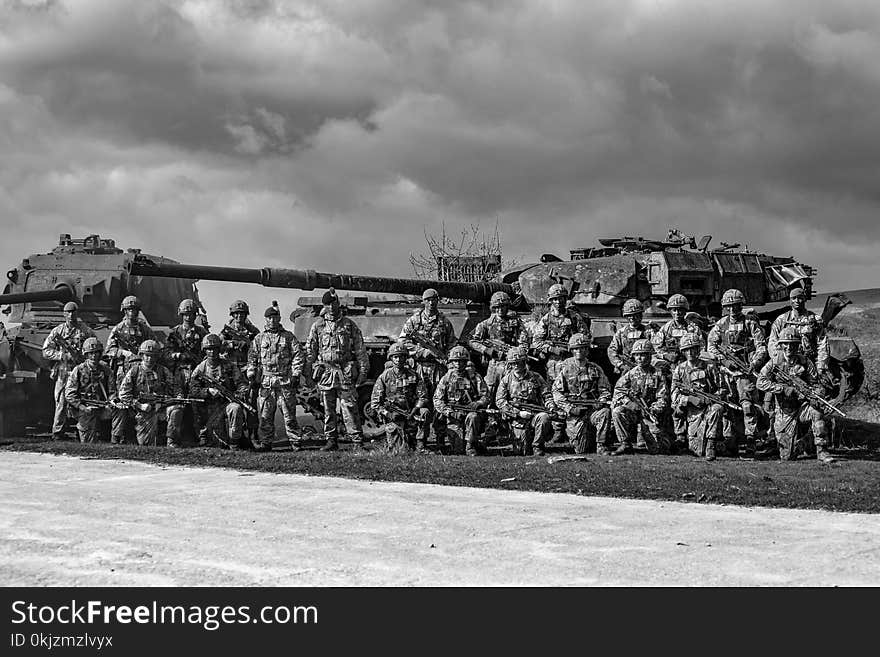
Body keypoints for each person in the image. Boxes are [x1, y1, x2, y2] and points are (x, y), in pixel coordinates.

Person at [756, 327, 835, 463]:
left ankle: (822, 451)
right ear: (781, 345)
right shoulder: (774, 362)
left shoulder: (805, 362)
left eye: (793, 344)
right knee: (787, 457)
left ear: (798, 345)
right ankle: (802, 444)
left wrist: (815, 395)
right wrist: (782, 389)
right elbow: (760, 382)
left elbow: (816, 384)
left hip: (802, 408)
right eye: (786, 343)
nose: (789, 347)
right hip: (784, 412)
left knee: (817, 412)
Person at [707, 288, 769, 457]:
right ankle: (730, 440)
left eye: (736, 306)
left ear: (741, 306)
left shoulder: (750, 323)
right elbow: (711, 346)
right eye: (729, 306)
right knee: (727, 406)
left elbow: (761, 346)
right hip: (726, 373)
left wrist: (754, 363)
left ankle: (751, 441)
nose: (733, 309)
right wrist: (725, 361)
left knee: (748, 406)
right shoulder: (720, 325)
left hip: (745, 373)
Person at [306, 289, 370, 451]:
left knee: (349, 407)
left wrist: (363, 371)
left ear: (338, 304)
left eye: (334, 303)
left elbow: (360, 349)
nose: (332, 306)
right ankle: (331, 440)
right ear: (324, 305)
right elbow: (310, 351)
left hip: (344, 371)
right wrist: (308, 373)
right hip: (326, 372)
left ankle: (357, 441)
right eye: (328, 304)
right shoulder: (318, 326)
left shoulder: (348, 324)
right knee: (328, 408)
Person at [399, 288, 456, 451]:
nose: (431, 302)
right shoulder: (414, 321)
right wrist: (422, 352)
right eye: (428, 299)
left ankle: (440, 439)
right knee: (421, 403)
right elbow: (402, 342)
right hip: (420, 369)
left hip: (439, 369)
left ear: (438, 301)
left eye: (434, 299)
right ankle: (420, 441)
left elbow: (452, 342)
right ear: (423, 301)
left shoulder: (444, 321)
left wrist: (448, 357)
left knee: (440, 403)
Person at [532, 283, 591, 444]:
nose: (558, 302)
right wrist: (552, 348)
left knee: (573, 392)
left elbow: (586, 336)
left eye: (561, 299)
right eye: (555, 299)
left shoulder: (574, 317)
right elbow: (536, 341)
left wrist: (574, 347)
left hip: (572, 361)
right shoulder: (546, 319)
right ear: (551, 301)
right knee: (555, 394)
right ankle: (557, 428)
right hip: (553, 363)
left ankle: (573, 427)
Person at [247, 304, 305, 451]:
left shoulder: (288, 337)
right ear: (266, 319)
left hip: (285, 382)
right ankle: (266, 443)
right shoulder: (259, 338)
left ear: (279, 318)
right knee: (265, 416)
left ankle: (295, 442)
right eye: (269, 318)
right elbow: (252, 358)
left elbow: (298, 355)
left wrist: (296, 373)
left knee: (289, 416)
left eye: (275, 317)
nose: (272, 320)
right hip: (266, 383)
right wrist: (252, 374)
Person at [106, 295, 157, 444]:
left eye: (134, 310)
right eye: (129, 309)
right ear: (124, 311)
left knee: (142, 398)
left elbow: (154, 345)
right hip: (124, 368)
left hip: (141, 368)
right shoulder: (118, 329)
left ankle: (140, 434)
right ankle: (119, 435)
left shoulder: (144, 328)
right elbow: (109, 349)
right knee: (124, 400)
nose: (132, 313)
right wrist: (124, 352)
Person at [41, 301, 96, 440]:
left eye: (73, 312)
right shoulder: (58, 331)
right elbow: (46, 350)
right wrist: (62, 355)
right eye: (68, 312)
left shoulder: (86, 331)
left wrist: (85, 357)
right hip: (64, 371)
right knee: (61, 401)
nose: (71, 315)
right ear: (64, 314)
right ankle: (58, 432)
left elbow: (95, 347)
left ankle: (82, 430)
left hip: (81, 372)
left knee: (83, 399)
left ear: (77, 313)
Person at [670, 334, 730, 460]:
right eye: (687, 349)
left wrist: (712, 398)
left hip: (709, 408)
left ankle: (711, 444)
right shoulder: (680, 369)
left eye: (693, 348)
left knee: (717, 408)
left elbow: (723, 388)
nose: (690, 352)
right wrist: (690, 399)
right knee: (696, 450)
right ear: (683, 351)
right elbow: (674, 394)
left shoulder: (710, 366)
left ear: (698, 350)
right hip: (692, 411)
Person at [551, 332, 613, 454]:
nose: (579, 351)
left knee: (604, 413)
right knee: (581, 449)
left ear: (587, 350)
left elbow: (605, 390)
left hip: (592, 410)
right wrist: (570, 408)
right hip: (575, 411)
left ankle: (601, 445)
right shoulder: (564, 368)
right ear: (571, 350)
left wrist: (600, 402)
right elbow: (556, 392)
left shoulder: (595, 368)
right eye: (576, 348)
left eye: (583, 348)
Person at [118, 340, 184, 447]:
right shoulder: (134, 371)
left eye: (153, 356)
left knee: (176, 410)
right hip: (143, 410)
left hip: (162, 407)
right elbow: (123, 394)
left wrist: (178, 397)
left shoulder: (163, 370)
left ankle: (172, 441)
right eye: (147, 355)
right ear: (142, 355)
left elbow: (176, 387)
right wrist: (139, 405)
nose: (150, 359)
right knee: (146, 443)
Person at [611, 339, 670, 455]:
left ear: (649, 356)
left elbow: (663, 397)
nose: (639, 358)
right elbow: (618, 391)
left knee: (659, 449)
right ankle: (625, 444)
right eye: (637, 355)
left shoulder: (658, 374)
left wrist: (653, 410)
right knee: (618, 411)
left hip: (649, 413)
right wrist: (629, 404)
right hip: (633, 411)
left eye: (643, 355)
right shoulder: (630, 374)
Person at [189, 334, 249, 449]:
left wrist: (238, 394)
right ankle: (205, 436)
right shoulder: (200, 368)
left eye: (215, 349)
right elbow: (193, 390)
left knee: (236, 408)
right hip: (208, 407)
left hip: (226, 403)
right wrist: (208, 391)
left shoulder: (229, 365)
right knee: (217, 442)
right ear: (204, 351)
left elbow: (242, 383)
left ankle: (235, 442)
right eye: (209, 350)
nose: (212, 352)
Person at [370, 342, 430, 454]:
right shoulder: (385, 376)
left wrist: (414, 410)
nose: (398, 359)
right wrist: (388, 414)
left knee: (425, 412)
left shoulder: (414, 375)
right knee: (399, 451)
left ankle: (421, 445)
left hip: (411, 413)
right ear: (391, 359)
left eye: (401, 356)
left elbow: (423, 397)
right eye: (395, 357)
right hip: (394, 416)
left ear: (405, 358)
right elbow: (375, 403)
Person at [467, 291, 529, 397]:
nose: (500, 310)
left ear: (507, 307)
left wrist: (515, 353)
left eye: (503, 306)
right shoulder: (486, 324)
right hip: (494, 363)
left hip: (512, 364)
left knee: (513, 392)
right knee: (489, 391)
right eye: (497, 307)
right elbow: (472, 340)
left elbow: (524, 343)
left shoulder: (516, 323)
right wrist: (487, 350)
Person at [496, 347, 554, 456]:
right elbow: (500, 401)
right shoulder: (506, 380)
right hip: (516, 418)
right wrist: (518, 413)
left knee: (544, 417)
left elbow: (547, 394)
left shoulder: (536, 377)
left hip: (534, 415)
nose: (516, 366)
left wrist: (550, 406)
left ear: (524, 362)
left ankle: (538, 446)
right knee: (522, 451)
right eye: (513, 363)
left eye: (519, 362)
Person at [433, 345, 491, 456]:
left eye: (461, 361)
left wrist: (479, 403)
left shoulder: (474, 377)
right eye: (456, 362)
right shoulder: (446, 378)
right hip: (453, 415)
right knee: (457, 450)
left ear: (466, 362)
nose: (459, 364)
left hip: (470, 412)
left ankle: (471, 445)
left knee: (473, 417)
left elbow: (486, 395)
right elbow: (437, 400)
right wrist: (450, 412)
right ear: (452, 362)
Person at [64, 337, 114, 443]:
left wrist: (111, 402)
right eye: (90, 353)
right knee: (88, 440)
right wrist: (82, 407)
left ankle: (116, 440)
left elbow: (112, 390)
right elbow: (69, 394)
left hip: (103, 405)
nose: (94, 356)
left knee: (120, 412)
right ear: (86, 355)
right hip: (84, 407)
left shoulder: (106, 370)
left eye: (96, 353)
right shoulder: (78, 370)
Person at [767, 288, 828, 372]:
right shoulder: (781, 320)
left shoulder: (815, 320)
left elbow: (822, 344)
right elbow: (772, 343)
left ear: (805, 299)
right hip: (786, 363)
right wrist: (780, 361)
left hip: (810, 363)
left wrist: (820, 366)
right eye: (794, 298)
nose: (797, 301)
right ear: (790, 300)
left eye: (800, 298)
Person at [165, 299, 208, 388]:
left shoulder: (201, 331)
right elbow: (166, 353)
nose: (188, 318)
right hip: (179, 369)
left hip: (198, 368)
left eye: (191, 314)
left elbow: (208, 349)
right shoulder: (174, 332)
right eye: (186, 315)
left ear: (195, 315)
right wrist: (178, 355)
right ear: (181, 315)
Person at [607, 298, 654, 374]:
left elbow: (655, 351)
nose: (632, 318)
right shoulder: (621, 333)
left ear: (640, 315)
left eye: (635, 315)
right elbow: (612, 350)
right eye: (629, 315)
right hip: (627, 368)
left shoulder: (648, 331)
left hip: (646, 367)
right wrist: (620, 364)